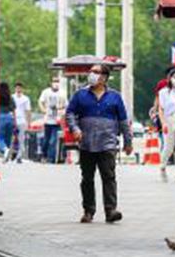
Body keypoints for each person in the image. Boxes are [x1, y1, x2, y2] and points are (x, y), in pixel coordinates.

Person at [66, 64, 133, 223]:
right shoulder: (80, 95)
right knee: (87, 178)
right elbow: (70, 114)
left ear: (104, 77)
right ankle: (88, 211)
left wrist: (128, 141)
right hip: (86, 143)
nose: (92, 75)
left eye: (96, 72)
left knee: (109, 177)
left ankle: (111, 210)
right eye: (91, 72)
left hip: (108, 144)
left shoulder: (115, 96)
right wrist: (74, 128)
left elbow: (123, 120)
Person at [39, 76, 67, 163]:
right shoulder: (46, 92)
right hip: (48, 119)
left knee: (54, 140)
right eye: (54, 81)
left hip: (57, 120)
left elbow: (66, 104)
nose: (56, 83)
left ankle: (52, 158)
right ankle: (44, 155)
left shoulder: (62, 93)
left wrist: (59, 108)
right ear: (51, 82)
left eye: (57, 81)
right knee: (47, 139)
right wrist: (43, 109)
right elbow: (40, 101)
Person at [12, 82, 32, 164]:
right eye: (17, 88)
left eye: (20, 88)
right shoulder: (12, 97)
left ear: (22, 89)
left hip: (22, 120)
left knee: (21, 139)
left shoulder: (25, 98)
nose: (18, 89)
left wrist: (28, 122)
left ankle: (19, 156)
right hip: (13, 119)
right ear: (15, 89)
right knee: (12, 138)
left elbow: (28, 111)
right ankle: (11, 154)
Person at [0, 82, 16, 162]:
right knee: (8, 138)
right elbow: (14, 110)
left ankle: (4, 150)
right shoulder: (11, 98)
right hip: (10, 117)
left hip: (0, 117)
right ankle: (6, 156)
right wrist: (15, 121)